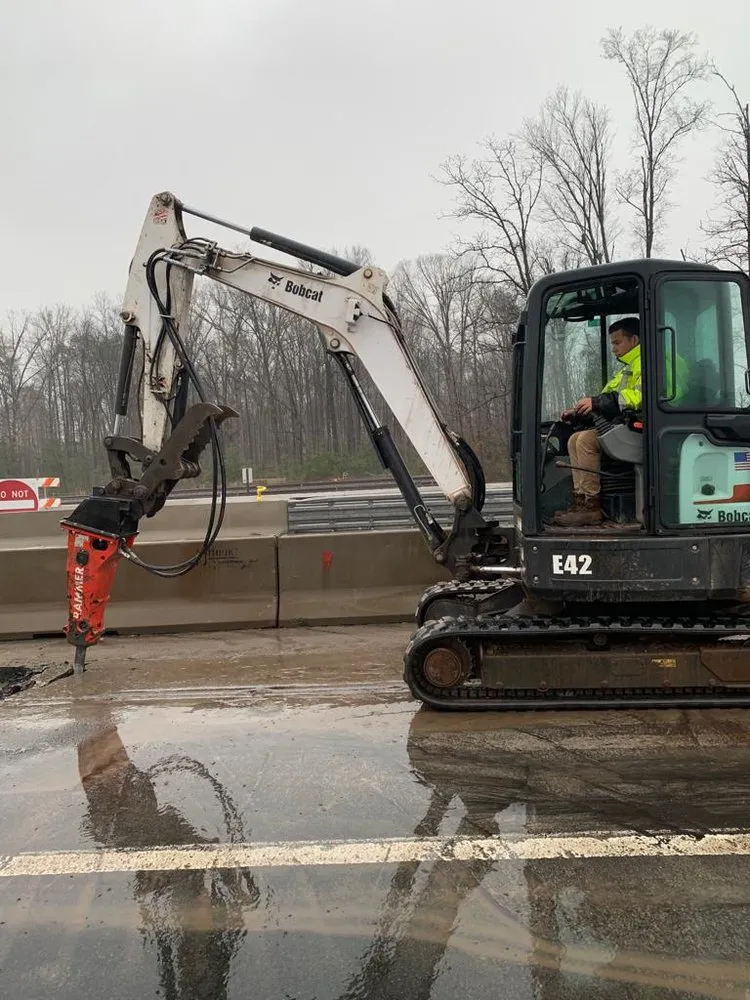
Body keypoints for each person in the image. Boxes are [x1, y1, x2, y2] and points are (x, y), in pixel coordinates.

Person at [554, 317, 642, 527]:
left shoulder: (651, 362)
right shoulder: (627, 368)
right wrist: (580, 411)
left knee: (585, 440)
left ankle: (591, 507)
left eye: (617, 342)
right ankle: (581, 501)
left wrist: (597, 402)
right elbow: (607, 398)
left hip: (642, 429)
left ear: (634, 340)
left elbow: (639, 397)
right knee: (575, 438)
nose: (613, 349)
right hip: (623, 424)